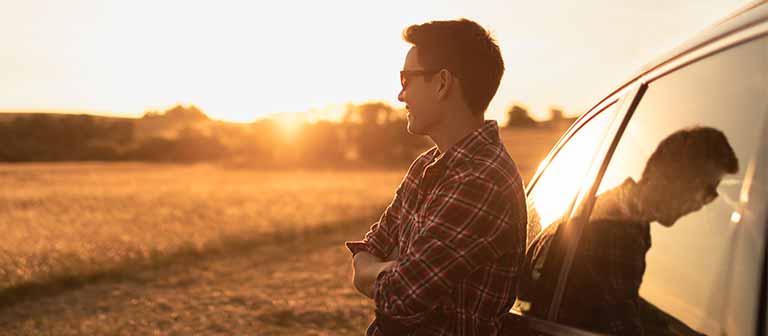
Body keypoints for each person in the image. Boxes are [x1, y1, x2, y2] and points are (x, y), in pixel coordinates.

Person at [344, 19, 528, 335]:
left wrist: (382, 270)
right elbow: (369, 249)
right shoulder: (426, 166)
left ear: (442, 83)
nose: (401, 95)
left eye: (406, 79)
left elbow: (398, 297)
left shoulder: (481, 182)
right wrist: (384, 269)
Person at [517, 126, 739, 335]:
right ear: (672, 175)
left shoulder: (617, 211)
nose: (705, 202)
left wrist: (679, 329)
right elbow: (623, 327)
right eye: (707, 188)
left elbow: (623, 299)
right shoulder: (618, 231)